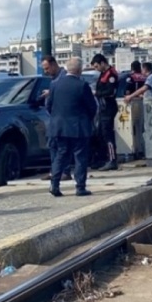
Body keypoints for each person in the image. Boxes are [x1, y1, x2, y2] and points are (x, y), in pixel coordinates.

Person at [46, 57, 97, 197]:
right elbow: (92, 107)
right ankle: (80, 187)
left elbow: (48, 105)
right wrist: (87, 120)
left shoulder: (55, 85)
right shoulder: (82, 85)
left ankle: (54, 184)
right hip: (79, 127)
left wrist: (58, 118)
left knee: (60, 155)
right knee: (80, 157)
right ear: (80, 70)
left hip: (59, 127)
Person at [40, 55, 72, 181]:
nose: (46, 71)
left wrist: (51, 92)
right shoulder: (54, 79)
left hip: (63, 118)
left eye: (47, 68)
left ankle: (64, 171)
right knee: (53, 145)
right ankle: (55, 171)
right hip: (54, 117)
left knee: (62, 146)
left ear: (54, 65)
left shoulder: (63, 77)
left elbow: (66, 93)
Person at [91, 54, 119, 171]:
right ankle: (103, 158)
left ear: (103, 63)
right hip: (102, 107)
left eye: (97, 66)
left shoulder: (111, 74)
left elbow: (110, 91)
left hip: (108, 106)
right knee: (100, 133)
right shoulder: (103, 74)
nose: (96, 69)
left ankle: (112, 160)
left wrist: (96, 93)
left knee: (107, 134)